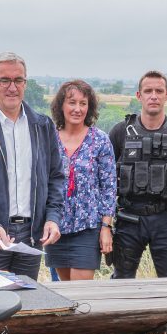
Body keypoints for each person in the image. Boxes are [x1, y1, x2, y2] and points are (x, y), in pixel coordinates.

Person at [0, 52, 63, 279]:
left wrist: (53, 218)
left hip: (32, 235)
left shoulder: (43, 126)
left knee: (27, 304)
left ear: (25, 83)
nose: (12, 87)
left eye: (18, 80)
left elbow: (56, 177)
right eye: (5, 80)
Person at [108, 70, 167, 279]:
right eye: (148, 91)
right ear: (139, 95)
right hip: (128, 217)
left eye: (159, 91)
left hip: (166, 218)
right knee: (121, 281)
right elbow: (106, 176)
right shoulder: (120, 132)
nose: (154, 96)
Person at [45, 80, 116, 280]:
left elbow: (109, 188)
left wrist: (106, 227)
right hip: (55, 226)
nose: (77, 109)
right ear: (61, 106)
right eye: (72, 102)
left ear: (89, 107)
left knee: (81, 293)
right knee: (64, 291)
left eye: (83, 103)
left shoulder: (100, 140)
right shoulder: (49, 138)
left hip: (87, 226)